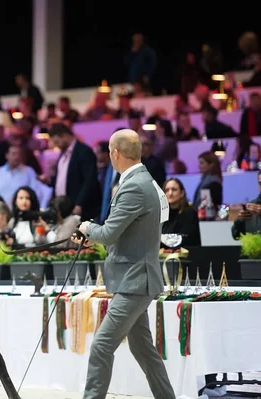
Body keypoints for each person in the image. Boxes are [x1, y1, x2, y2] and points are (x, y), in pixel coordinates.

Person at [73, 129, 175, 399]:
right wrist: (90, 231)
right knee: (143, 351)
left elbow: (108, 234)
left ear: (115, 153)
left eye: (109, 152)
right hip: (136, 279)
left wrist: (86, 227)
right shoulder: (142, 181)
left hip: (134, 281)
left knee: (101, 346)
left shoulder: (134, 186)